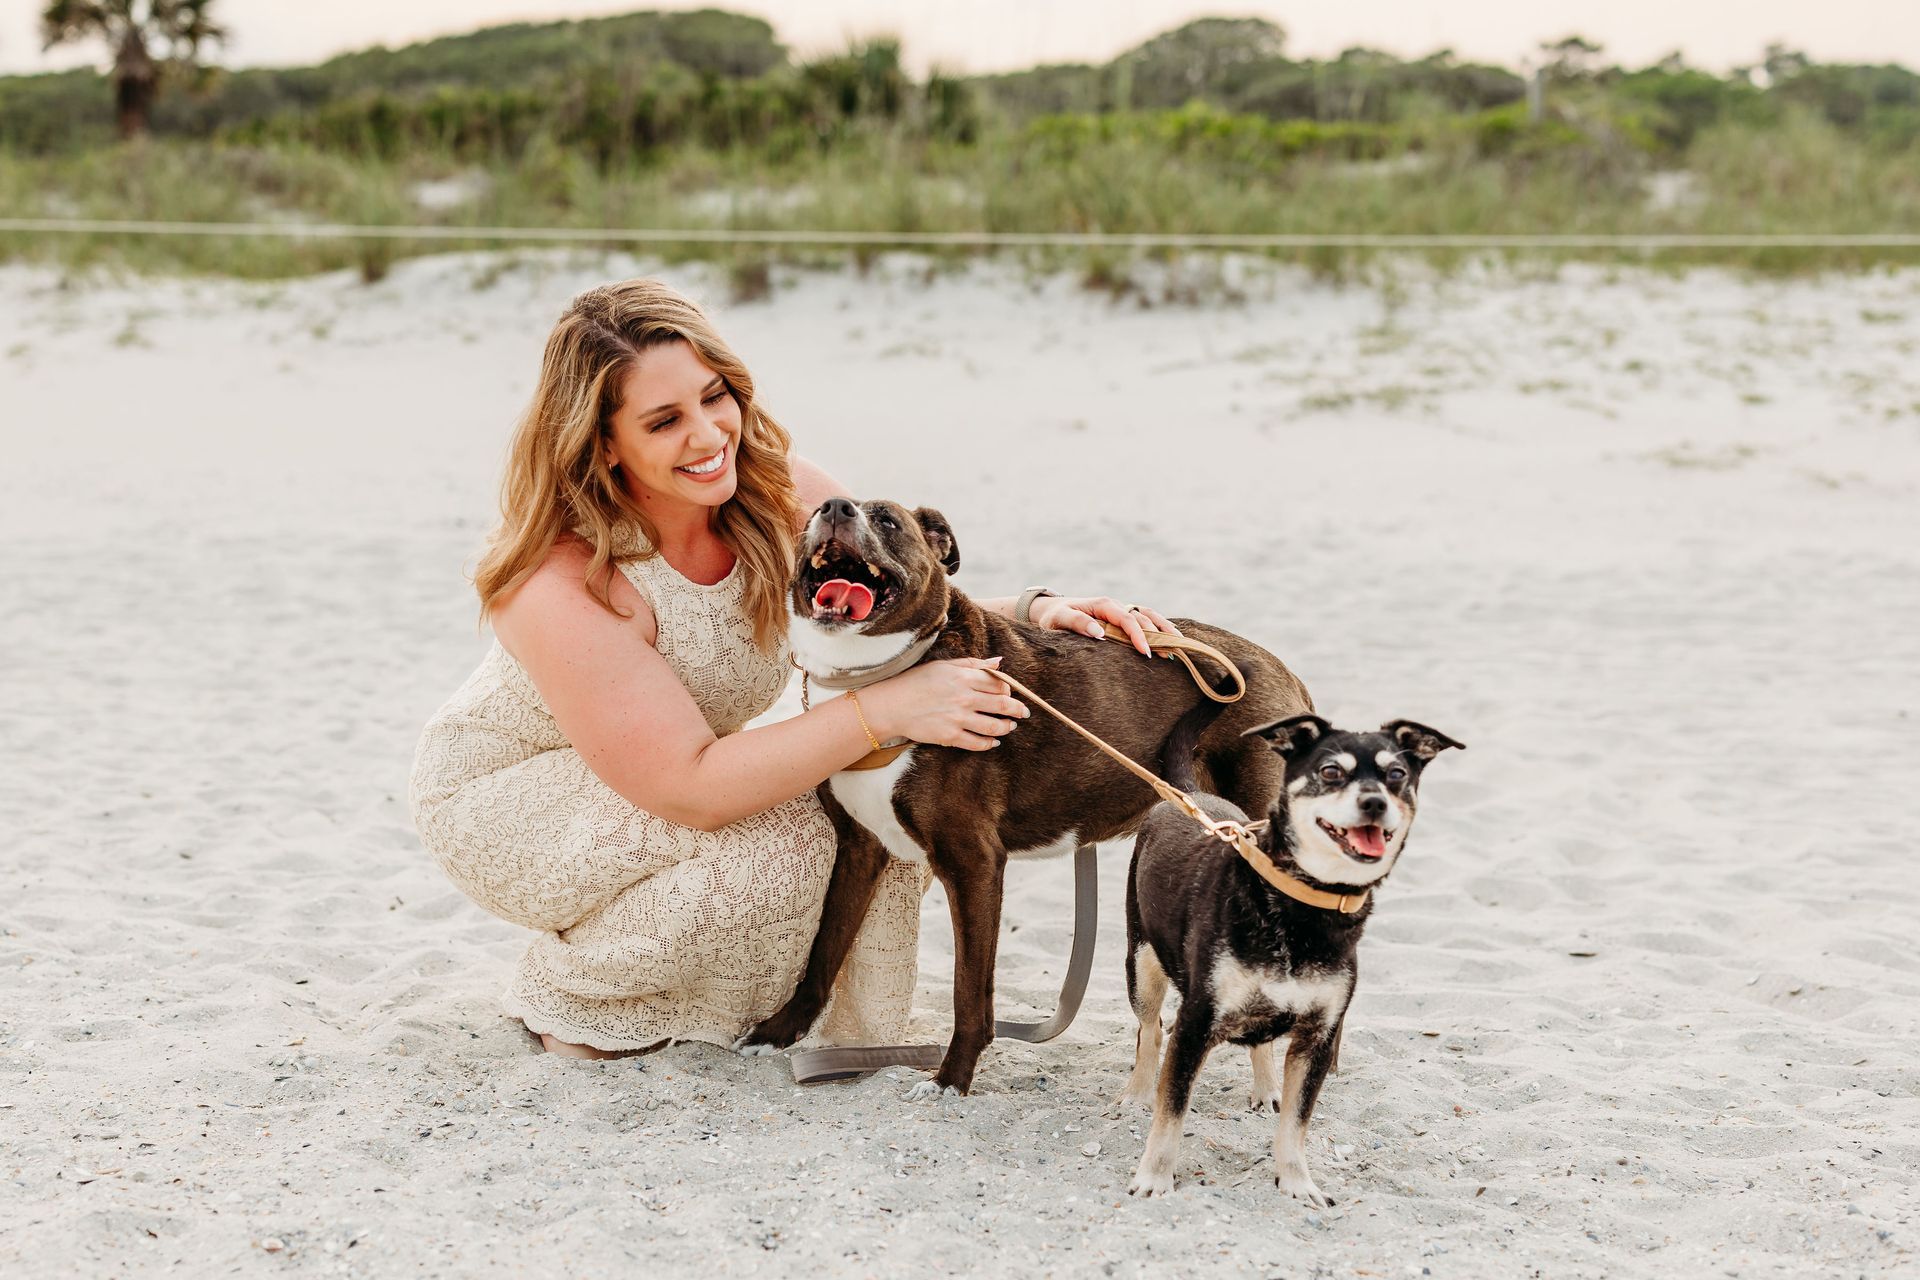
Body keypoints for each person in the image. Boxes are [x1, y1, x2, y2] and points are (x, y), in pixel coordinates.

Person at [408, 278, 1177, 1059]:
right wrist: (890, 711)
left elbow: (898, 591)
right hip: (516, 792)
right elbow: (692, 787)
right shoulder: (562, 581)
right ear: (604, 442)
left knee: (872, 812)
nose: (709, 436)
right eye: (665, 420)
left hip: (673, 757)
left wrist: (1038, 609)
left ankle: (727, 1001)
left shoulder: (775, 486)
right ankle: (577, 995)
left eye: (716, 397)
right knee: (780, 856)